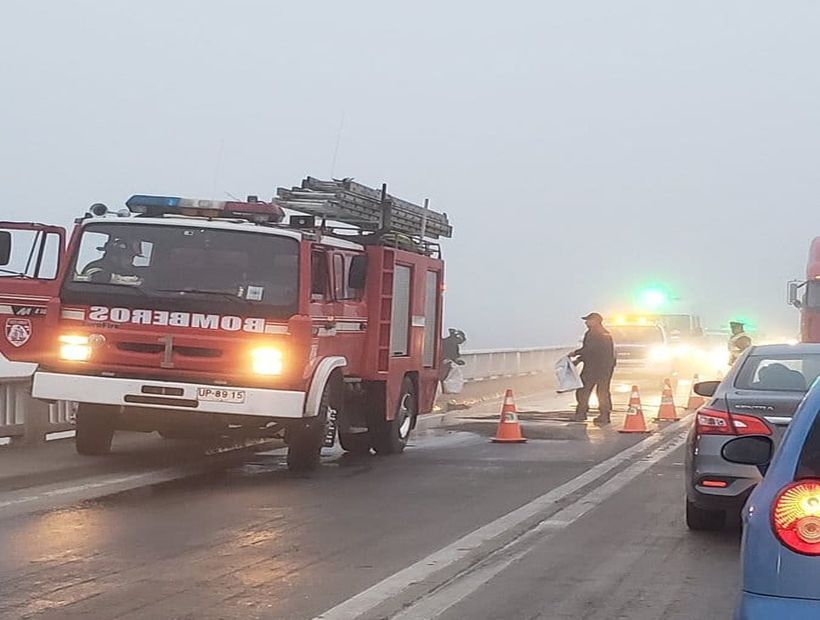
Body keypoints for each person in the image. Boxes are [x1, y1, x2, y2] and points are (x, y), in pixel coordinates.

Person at [571, 312, 616, 425]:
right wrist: (579, 359)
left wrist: (576, 354)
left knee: (583, 390)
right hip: (606, 367)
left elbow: (590, 350)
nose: (586, 322)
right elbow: (597, 350)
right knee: (603, 391)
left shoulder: (593, 333)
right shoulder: (605, 333)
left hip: (593, 367)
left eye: (588, 320)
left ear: (595, 321)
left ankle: (581, 413)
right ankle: (605, 415)